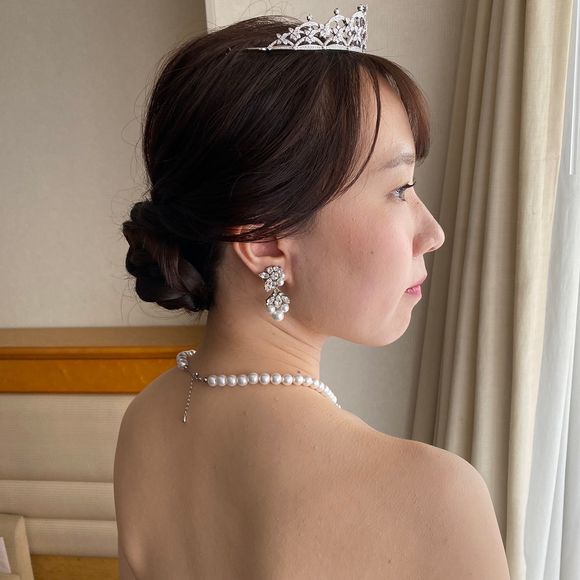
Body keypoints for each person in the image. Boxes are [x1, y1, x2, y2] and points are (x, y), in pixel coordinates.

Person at [114, 5, 510, 579]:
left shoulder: (145, 422)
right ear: (265, 241)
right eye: (399, 190)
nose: (433, 232)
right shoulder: (435, 496)